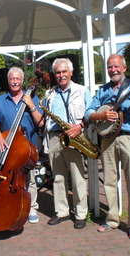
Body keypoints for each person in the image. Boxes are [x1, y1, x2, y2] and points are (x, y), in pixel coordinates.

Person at [84, 54, 130, 240]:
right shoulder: (103, 90)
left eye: (116, 66)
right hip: (108, 139)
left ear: (124, 68)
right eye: (109, 67)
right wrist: (102, 116)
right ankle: (112, 219)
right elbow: (88, 113)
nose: (112, 70)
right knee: (108, 181)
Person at [42, 58, 92, 229]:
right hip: (55, 137)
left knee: (78, 178)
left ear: (71, 72)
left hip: (74, 137)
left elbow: (90, 115)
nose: (61, 75)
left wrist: (80, 126)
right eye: (58, 72)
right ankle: (62, 211)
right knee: (58, 177)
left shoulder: (82, 90)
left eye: (64, 71)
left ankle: (80, 214)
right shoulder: (50, 94)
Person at [0, 67, 44, 224]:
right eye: (12, 79)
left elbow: (41, 122)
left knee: (30, 180)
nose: (15, 81)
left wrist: (31, 106)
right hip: (7, 148)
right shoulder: (0, 100)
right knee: (8, 180)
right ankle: (11, 206)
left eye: (17, 79)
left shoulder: (32, 97)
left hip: (27, 148)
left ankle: (31, 207)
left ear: (22, 81)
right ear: (8, 81)